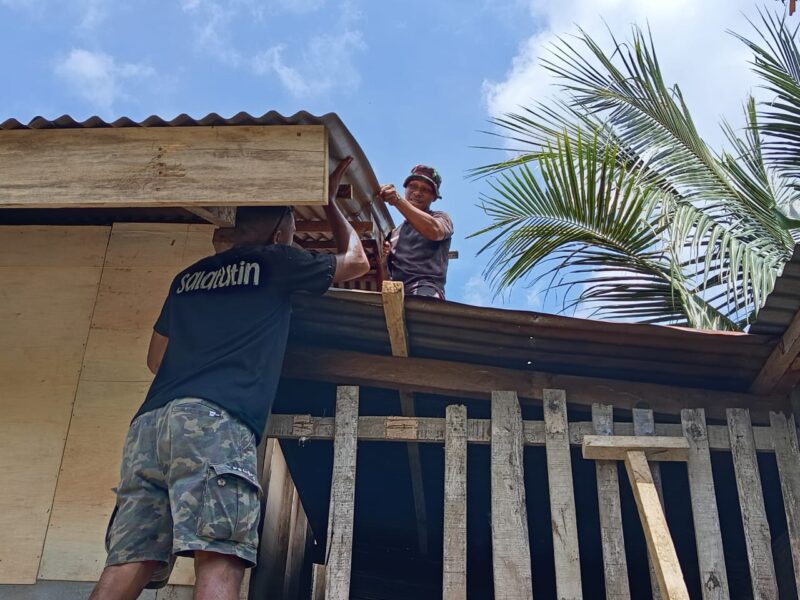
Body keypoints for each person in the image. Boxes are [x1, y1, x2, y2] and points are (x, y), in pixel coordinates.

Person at [88, 157, 369, 600]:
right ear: (280, 232)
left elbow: (155, 358)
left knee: (129, 559)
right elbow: (356, 262)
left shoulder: (188, 277)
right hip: (215, 423)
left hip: (148, 427)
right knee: (220, 558)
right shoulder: (277, 261)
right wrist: (332, 205)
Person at [379, 164, 453, 299]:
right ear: (405, 189)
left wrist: (397, 200)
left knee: (425, 310)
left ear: (434, 197)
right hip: (395, 294)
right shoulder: (393, 234)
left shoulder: (440, 218)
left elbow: (435, 231)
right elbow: (385, 276)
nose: (418, 193)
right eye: (413, 186)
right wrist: (383, 260)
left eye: (425, 190)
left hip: (426, 289)